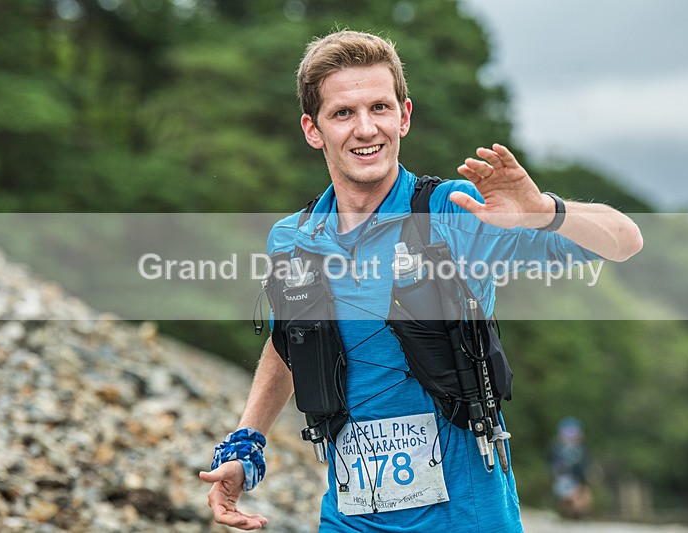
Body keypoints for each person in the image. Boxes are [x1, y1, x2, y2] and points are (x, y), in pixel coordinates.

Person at [199, 29, 642, 532]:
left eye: (380, 108)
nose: (366, 128)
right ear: (313, 129)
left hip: (468, 518)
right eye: (343, 113)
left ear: (404, 116)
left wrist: (543, 211)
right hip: (350, 518)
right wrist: (246, 444)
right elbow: (291, 343)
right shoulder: (293, 239)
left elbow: (625, 240)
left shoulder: (457, 212)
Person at [549, 417, 593, 518]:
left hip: (578, 480)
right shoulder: (556, 448)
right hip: (563, 480)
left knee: (584, 493)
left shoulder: (582, 449)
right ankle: (570, 511)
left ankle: (577, 512)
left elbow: (585, 466)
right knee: (572, 493)